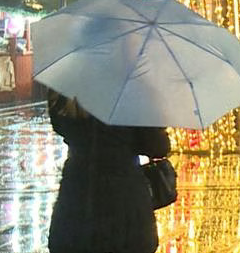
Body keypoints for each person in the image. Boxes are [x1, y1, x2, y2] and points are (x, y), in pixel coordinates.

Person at [47, 90, 170, 253]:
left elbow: (60, 126)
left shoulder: (68, 89)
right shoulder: (133, 92)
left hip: (77, 197)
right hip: (124, 204)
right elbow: (157, 146)